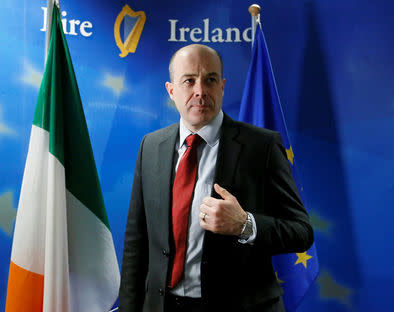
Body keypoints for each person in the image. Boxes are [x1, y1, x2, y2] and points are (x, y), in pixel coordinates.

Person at [118, 44, 313, 312]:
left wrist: (245, 224)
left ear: (222, 87)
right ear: (171, 90)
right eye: (189, 80)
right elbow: (135, 243)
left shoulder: (262, 146)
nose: (200, 91)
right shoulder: (151, 146)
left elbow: (301, 232)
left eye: (210, 80)